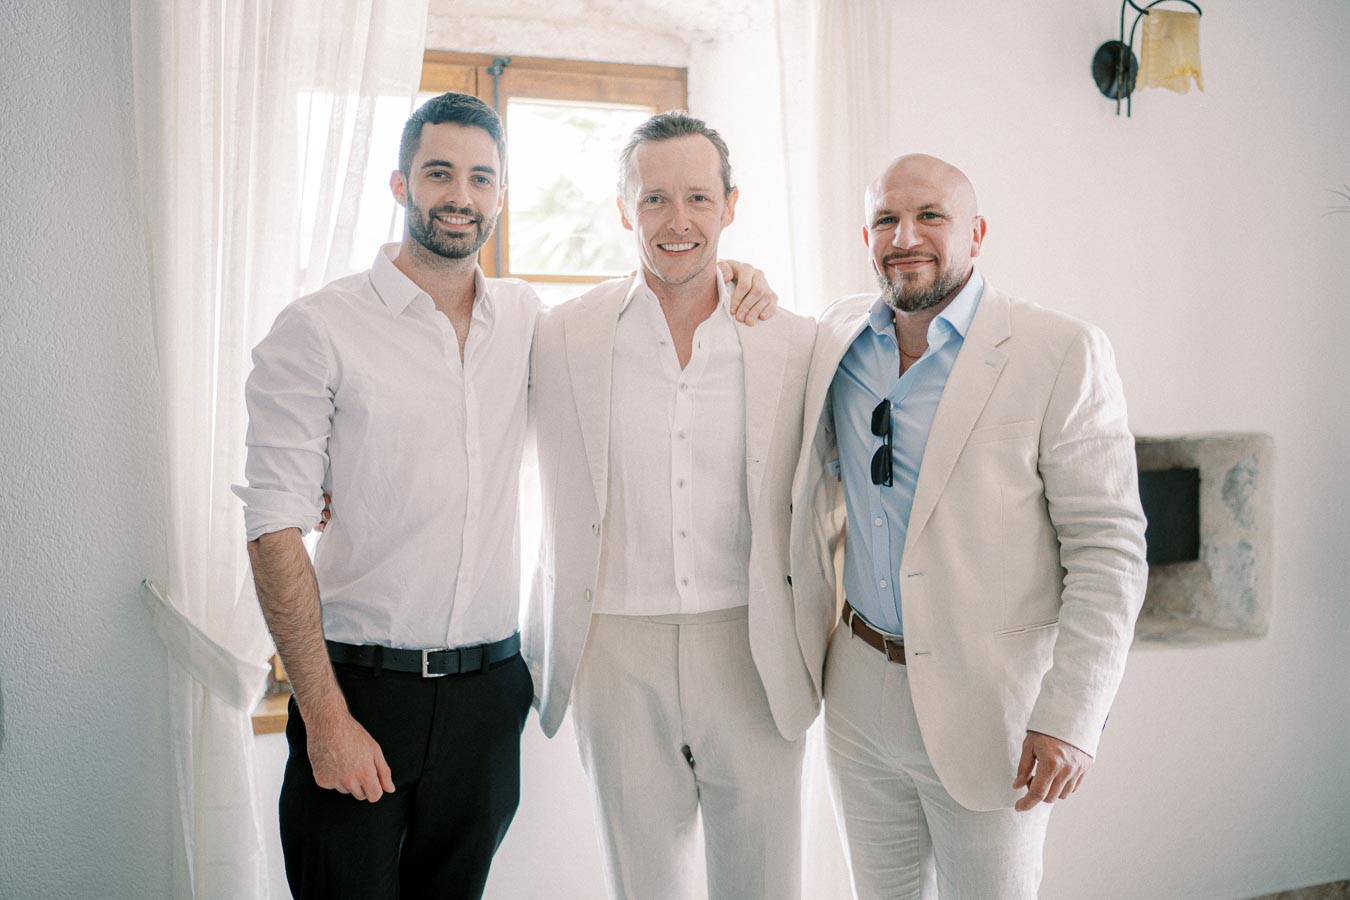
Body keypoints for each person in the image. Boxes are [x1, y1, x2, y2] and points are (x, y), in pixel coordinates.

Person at [235, 93, 774, 899]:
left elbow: (646, 295)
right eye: (439, 173)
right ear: (399, 184)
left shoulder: (529, 321)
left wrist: (730, 271)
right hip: (360, 690)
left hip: (488, 698)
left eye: (481, 177)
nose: (460, 194)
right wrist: (323, 713)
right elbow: (274, 522)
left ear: (500, 196)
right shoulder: (319, 328)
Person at [791, 153, 1148, 898]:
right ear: (866, 236)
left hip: (994, 706)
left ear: (976, 233)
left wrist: (1073, 715)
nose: (905, 236)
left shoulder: (1060, 351)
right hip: (856, 688)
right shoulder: (833, 339)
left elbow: (1109, 550)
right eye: (886, 219)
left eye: (930, 216)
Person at [525, 111, 819, 899]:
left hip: (752, 646)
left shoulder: (792, 339)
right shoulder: (559, 336)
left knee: (764, 884)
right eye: (655, 199)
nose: (678, 220)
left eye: (698, 197)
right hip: (615, 651)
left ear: (730, 204)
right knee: (640, 886)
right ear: (625, 209)